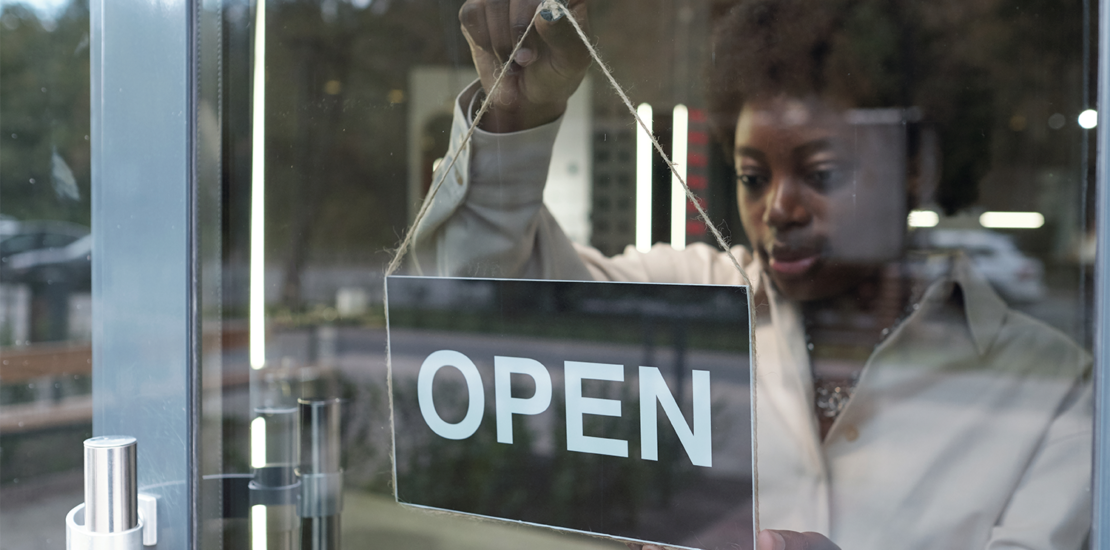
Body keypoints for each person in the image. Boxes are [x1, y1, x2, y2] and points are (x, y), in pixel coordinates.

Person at [411, 0, 1093, 548]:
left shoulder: (1055, 388)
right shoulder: (691, 296)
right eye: (751, 177)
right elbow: (477, 298)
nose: (779, 208)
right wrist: (514, 117)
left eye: (823, 174)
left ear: (917, 170)